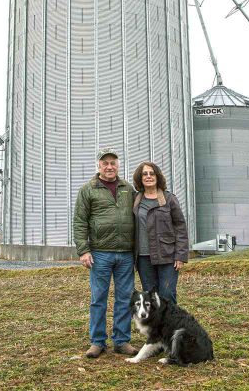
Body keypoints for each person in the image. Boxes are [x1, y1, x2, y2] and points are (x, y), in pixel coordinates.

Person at [73, 148, 138, 358]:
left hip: (126, 254)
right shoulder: (88, 189)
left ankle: (121, 341)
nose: (109, 167)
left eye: (113, 163)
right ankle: (97, 342)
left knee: (124, 298)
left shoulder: (128, 188)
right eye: (105, 163)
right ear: (99, 166)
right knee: (98, 298)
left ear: (118, 165)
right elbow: (80, 222)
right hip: (100, 253)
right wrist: (83, 250)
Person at [132, 161, 189, 304]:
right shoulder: (135, 200)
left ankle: (170, 326)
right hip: (144, 258)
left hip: (167, 256)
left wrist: (180, 255)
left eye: (152, 173)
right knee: (151, 297)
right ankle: (155, 326)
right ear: (140, 178)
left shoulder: (169, 199)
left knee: (167, 294)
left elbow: (180, 226)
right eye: (144, 174)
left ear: (158, 177)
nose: (148, 176)